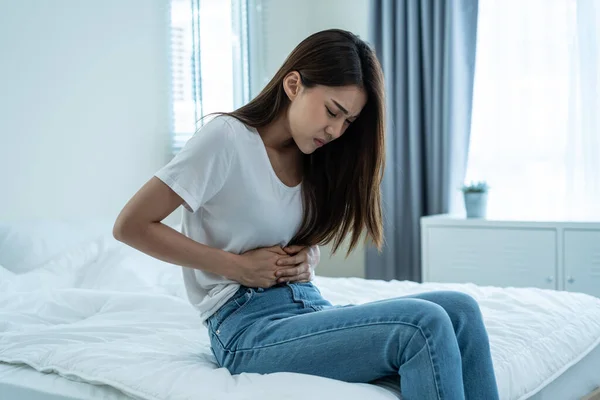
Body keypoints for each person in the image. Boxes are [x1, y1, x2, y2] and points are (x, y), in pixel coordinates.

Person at [113, 29, 499, 400]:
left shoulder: (314, 157)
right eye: (333, 111)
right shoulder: (226, 138)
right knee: (422, 325)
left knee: (461, 311)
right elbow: (130, 225)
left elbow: (281, 232)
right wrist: (235, 266)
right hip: (246, 328)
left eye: (348, 122)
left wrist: (307, 258)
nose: (336, 130)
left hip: (306, 305)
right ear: (294, 84)